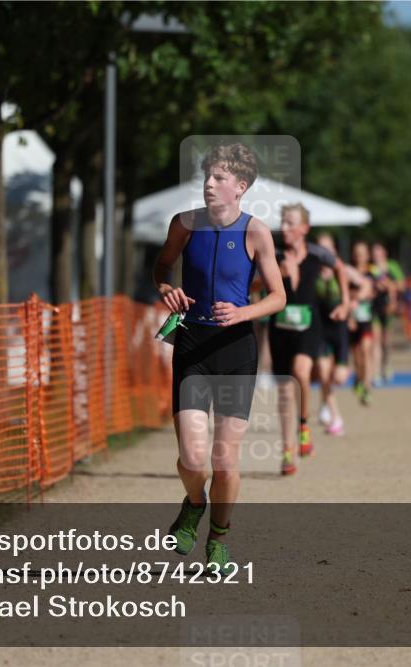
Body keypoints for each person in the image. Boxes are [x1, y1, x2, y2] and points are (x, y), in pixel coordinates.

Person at [153, 143, 285, 574]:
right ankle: (194, 504)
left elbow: (279, 297)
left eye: (219, 178)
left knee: (224, 460)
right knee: (192, 460)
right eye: (207, 176)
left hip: (235, 351)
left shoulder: (256, 232)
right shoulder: (184, 224)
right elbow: (162, 266)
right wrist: (165, 287)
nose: (209, 184)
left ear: (240, 187)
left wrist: (244, 311)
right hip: (192, 346)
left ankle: (219, 539)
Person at [269, 204, 350, 475]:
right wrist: (276, 277)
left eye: (291, 223)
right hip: (280, 327)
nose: (285, 228)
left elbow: (340, 268)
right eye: (282, 222)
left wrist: (346, 303)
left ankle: (304, 426)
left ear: (304, 228)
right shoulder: (274, 254)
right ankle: (287, 450)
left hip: (308, 324)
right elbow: (253, 284)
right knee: (283, 391)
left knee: (301, 372)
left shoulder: (317, 254)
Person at [314, 233, 357, 437]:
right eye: (320, 248)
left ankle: (324, 400)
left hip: (339, 330)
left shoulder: (344, 271)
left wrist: (352, 302)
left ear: (334, 251)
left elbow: (366, 285)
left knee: (338, 377)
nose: (324, 253)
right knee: (323, 373)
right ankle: (335, 416)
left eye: (327, 249)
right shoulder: (311, 271)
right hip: (319, 329)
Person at [369, 243, 405, 386]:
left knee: (386, 341)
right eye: (374, 254)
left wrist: (389, 285)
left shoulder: (392, 266)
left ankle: (387, 365)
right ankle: (376, 372)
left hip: (388, 307)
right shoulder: (370, 267)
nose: (377, 257)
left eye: (379, 254)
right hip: (374, 307)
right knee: (375, 341)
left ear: (385, 254)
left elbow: (402, 285)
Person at [347, 240, 375, 404]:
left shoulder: (371, 272)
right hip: (352, 318)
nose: (359, 256)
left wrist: (360, 294)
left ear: (367, 256)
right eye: (357, 253)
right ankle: (358, 377)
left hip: (367, 318)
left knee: (366, 351)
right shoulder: (348, 272)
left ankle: (367, 386)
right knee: (357, 355)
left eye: (362, 253)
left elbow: (372, 291)